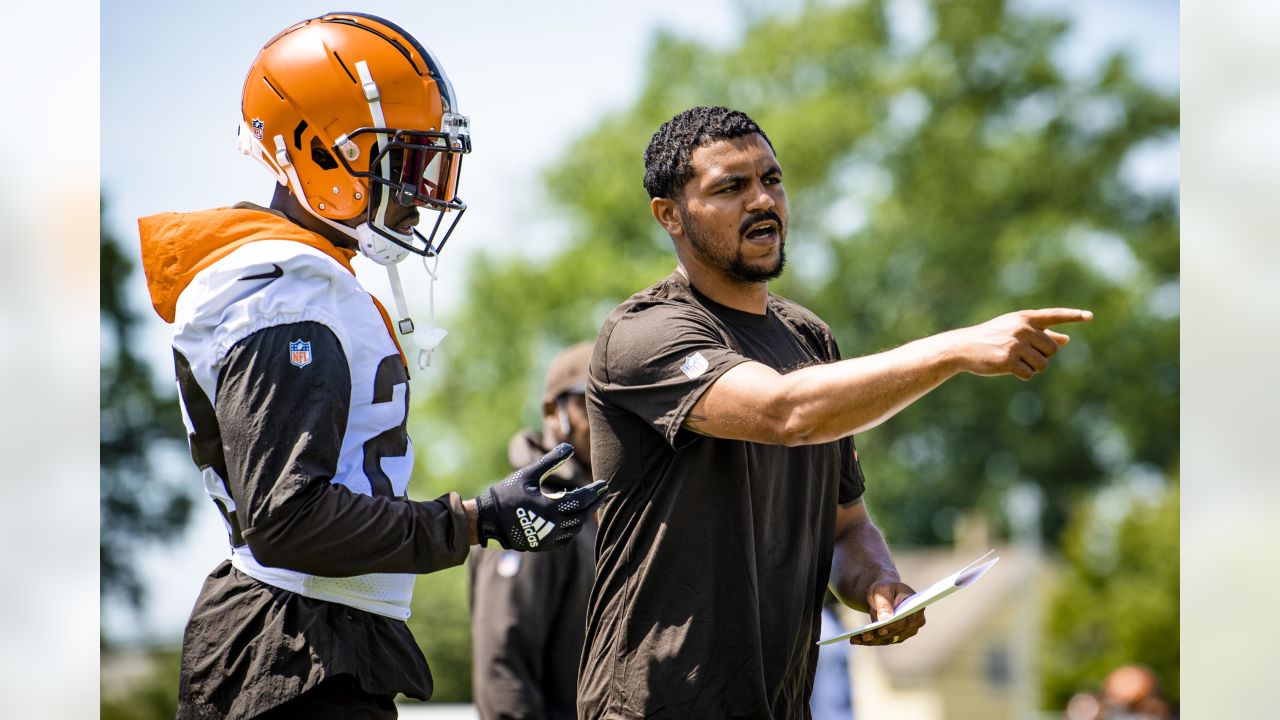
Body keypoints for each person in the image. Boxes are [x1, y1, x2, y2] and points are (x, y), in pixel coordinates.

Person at [137, 14, 602, 719]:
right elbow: (287, 517)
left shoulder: (313, 279)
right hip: (290, 649)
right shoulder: (284, 290)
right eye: (406, 160)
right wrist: (474, 521)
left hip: (317, 639)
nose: (424, 189)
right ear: (320, 153)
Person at [579, 106, 1092, 718]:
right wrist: (955, 348)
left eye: (771, 180)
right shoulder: (645, 332)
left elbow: (845, 525)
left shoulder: (809, 337)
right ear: (670, 215)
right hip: (654, 707)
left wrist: (876, 583)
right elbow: (784, 413)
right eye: (731, 187)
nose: (762, 201)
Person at [469, 341, 597, 720]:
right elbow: (502, 670)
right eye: (592, 404)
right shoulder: (525, 513)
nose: (609, 419)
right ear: (552, 411)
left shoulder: (593, 508)